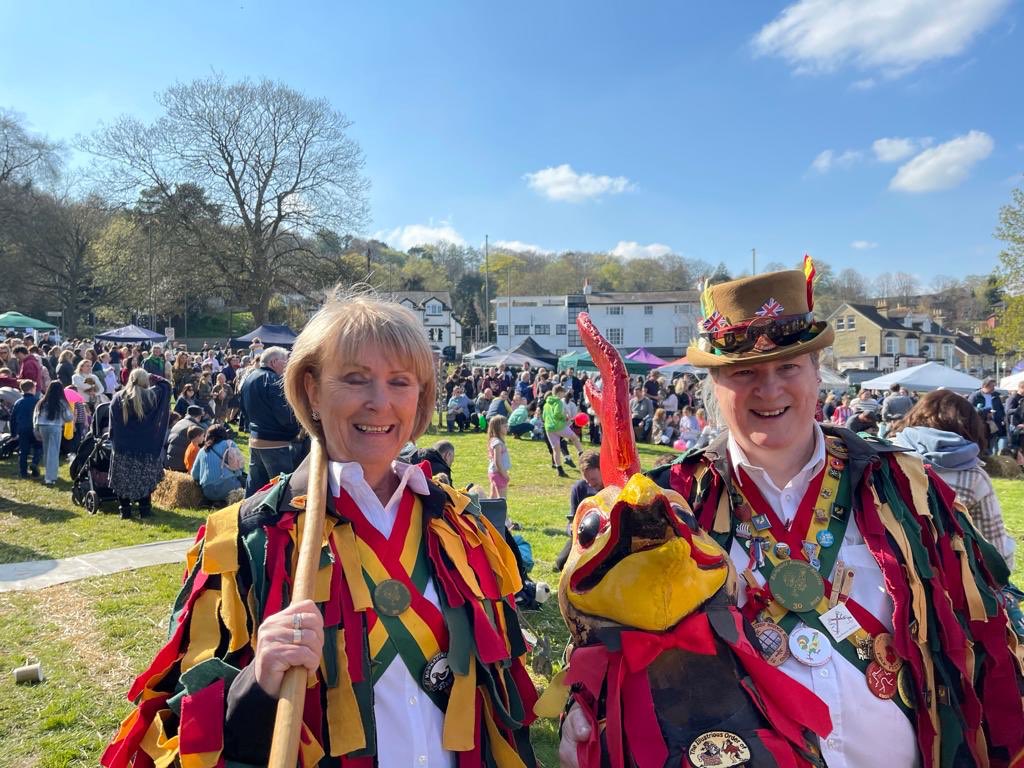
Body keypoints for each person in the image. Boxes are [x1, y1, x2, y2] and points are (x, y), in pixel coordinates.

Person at [561, 264, 1024, 767]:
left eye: (788, 367)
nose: (769, 389)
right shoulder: (667, 505)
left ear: (816, 370)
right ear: (715, 382)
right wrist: (581, 708)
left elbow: (979, 639)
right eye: (744, 373)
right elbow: (602, 637)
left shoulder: (906, 490)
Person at [102, 293, 536, 768]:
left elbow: (502, 702)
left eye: (399, 381)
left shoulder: (461, 526)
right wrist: (257, 681)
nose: (380, 402)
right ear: (312, 390)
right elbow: (179, 735)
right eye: (355, 379)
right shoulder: (249, 538)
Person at [890, 389, 1016, 569]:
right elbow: (995, 551)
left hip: (884, 571)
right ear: (970, 426)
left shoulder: (883, 459)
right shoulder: (972, 477)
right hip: (947, 573)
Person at [109, 369, 172, 519]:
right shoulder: (152, 396)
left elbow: (113, 425)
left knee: (123, 478)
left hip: (123, 446)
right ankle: (145, 509)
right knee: (144, 478)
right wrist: (152, 375)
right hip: (146, 447)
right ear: (146, 380)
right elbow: (166, 385)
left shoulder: (118, 398)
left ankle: (125, 510)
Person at [241, 346, 301, 497]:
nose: (287, 365)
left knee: (254, 490)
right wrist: (296, 429)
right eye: (285, 361)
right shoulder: (274, 380)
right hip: (275, 444)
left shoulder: (249, 378)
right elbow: (285, 415)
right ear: (274, 362)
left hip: (255, 440)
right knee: (282, 492)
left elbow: (243, 410)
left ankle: (246, 512)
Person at [554, 449, 603, 572]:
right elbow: (572, 519)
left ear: (602, 470)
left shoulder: (612, 486)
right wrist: (571, 529)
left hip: (605, 537)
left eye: (594, 479)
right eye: (587, 480)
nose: (591, 484)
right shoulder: (579, 488)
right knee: (562, 563)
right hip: (583, 537)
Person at [190, 423, 245, 504]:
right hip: (229, 488)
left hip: (208, 491)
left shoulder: (202, 450)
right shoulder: (229, 444)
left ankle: (215, 501)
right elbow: (241, 465)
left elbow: (194, 474)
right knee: (245, 482)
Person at [33, 381, 72, 486]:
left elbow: (36, 416)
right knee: (53, 452)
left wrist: (35, 429)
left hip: (42, 427)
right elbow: (69, 417)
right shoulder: (62, 402)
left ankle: (47, 473)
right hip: (55, 427)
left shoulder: (42, 401)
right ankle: (50, 477)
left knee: (46, 451)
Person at [544, 385, 583, 477]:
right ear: (559, 393)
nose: (564, 395)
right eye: (563, 393)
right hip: (558, 426)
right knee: (574, 438)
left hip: (549, 428)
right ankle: (581, 453)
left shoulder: (546, 403)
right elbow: (557, 414)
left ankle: (560, 470)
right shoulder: (558, 402)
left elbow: (544, 416)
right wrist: (565, 418)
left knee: (556, 450)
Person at [11, 379, 41, 478]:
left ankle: (23, 472)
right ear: (32, 389)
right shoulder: (37, 401)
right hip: (35, 428)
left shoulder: (18, 402)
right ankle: (34, 463)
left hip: (22, 429)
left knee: (23, 451)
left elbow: (13, 418)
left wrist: (13, 433)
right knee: (38, 448)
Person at [165, 405, 208, 471]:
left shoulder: (178, 423)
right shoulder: (196, 428)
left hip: (168, 463)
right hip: (182, 467)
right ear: (199, 417)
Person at [970, 378, 1006, 454]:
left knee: (993, 445)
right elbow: (970, 409)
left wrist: (1001, 417)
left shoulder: (996, 396)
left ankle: (992, 457)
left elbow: (1001, 409)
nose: (993, 388)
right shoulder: (975, 396)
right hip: (981, 425)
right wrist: (985, 411)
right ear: (984, 386)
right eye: (991, 386)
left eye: (994, 386)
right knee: (982, 445)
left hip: (994, 424)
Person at [487, 414, 511, 498]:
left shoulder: (495, 441)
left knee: (492, 497)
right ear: (497, 428)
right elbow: (497, 462)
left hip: (494, 473)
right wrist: (505, 475)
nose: (507, 428)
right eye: (504, 426)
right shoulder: (497, 443)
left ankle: (487, 507)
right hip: (498, 473)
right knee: (502, 500)